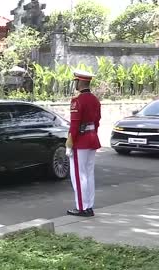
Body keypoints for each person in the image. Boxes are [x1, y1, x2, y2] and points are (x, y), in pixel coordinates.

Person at [65, 69, 101, 217]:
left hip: (80, 141)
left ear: (80, 82)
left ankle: (81, 207)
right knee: (88, 174)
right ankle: (89, 206)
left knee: (79, 177)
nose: (75, 84)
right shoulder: (95, 100)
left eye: (76, 82)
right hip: (92, 138)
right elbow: (97, 122)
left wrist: (69, 144)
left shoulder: (77, 101)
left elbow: (74, 125)